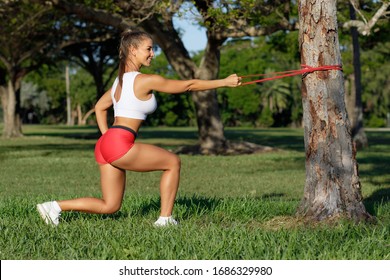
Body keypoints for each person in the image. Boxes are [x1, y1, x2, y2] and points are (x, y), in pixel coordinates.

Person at [37, 30, 241, 227]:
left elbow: (100, 107)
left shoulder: (119, 82)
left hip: (105, 144)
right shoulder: (145, 80)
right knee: (172, 162)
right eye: (149, 49)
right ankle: (165, 220)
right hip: (118, 142)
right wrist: (224, 82)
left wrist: (107, 136)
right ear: (133, 50)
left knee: (110, 206)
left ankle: (54, 207)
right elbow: (188, 86)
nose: (152, 54)